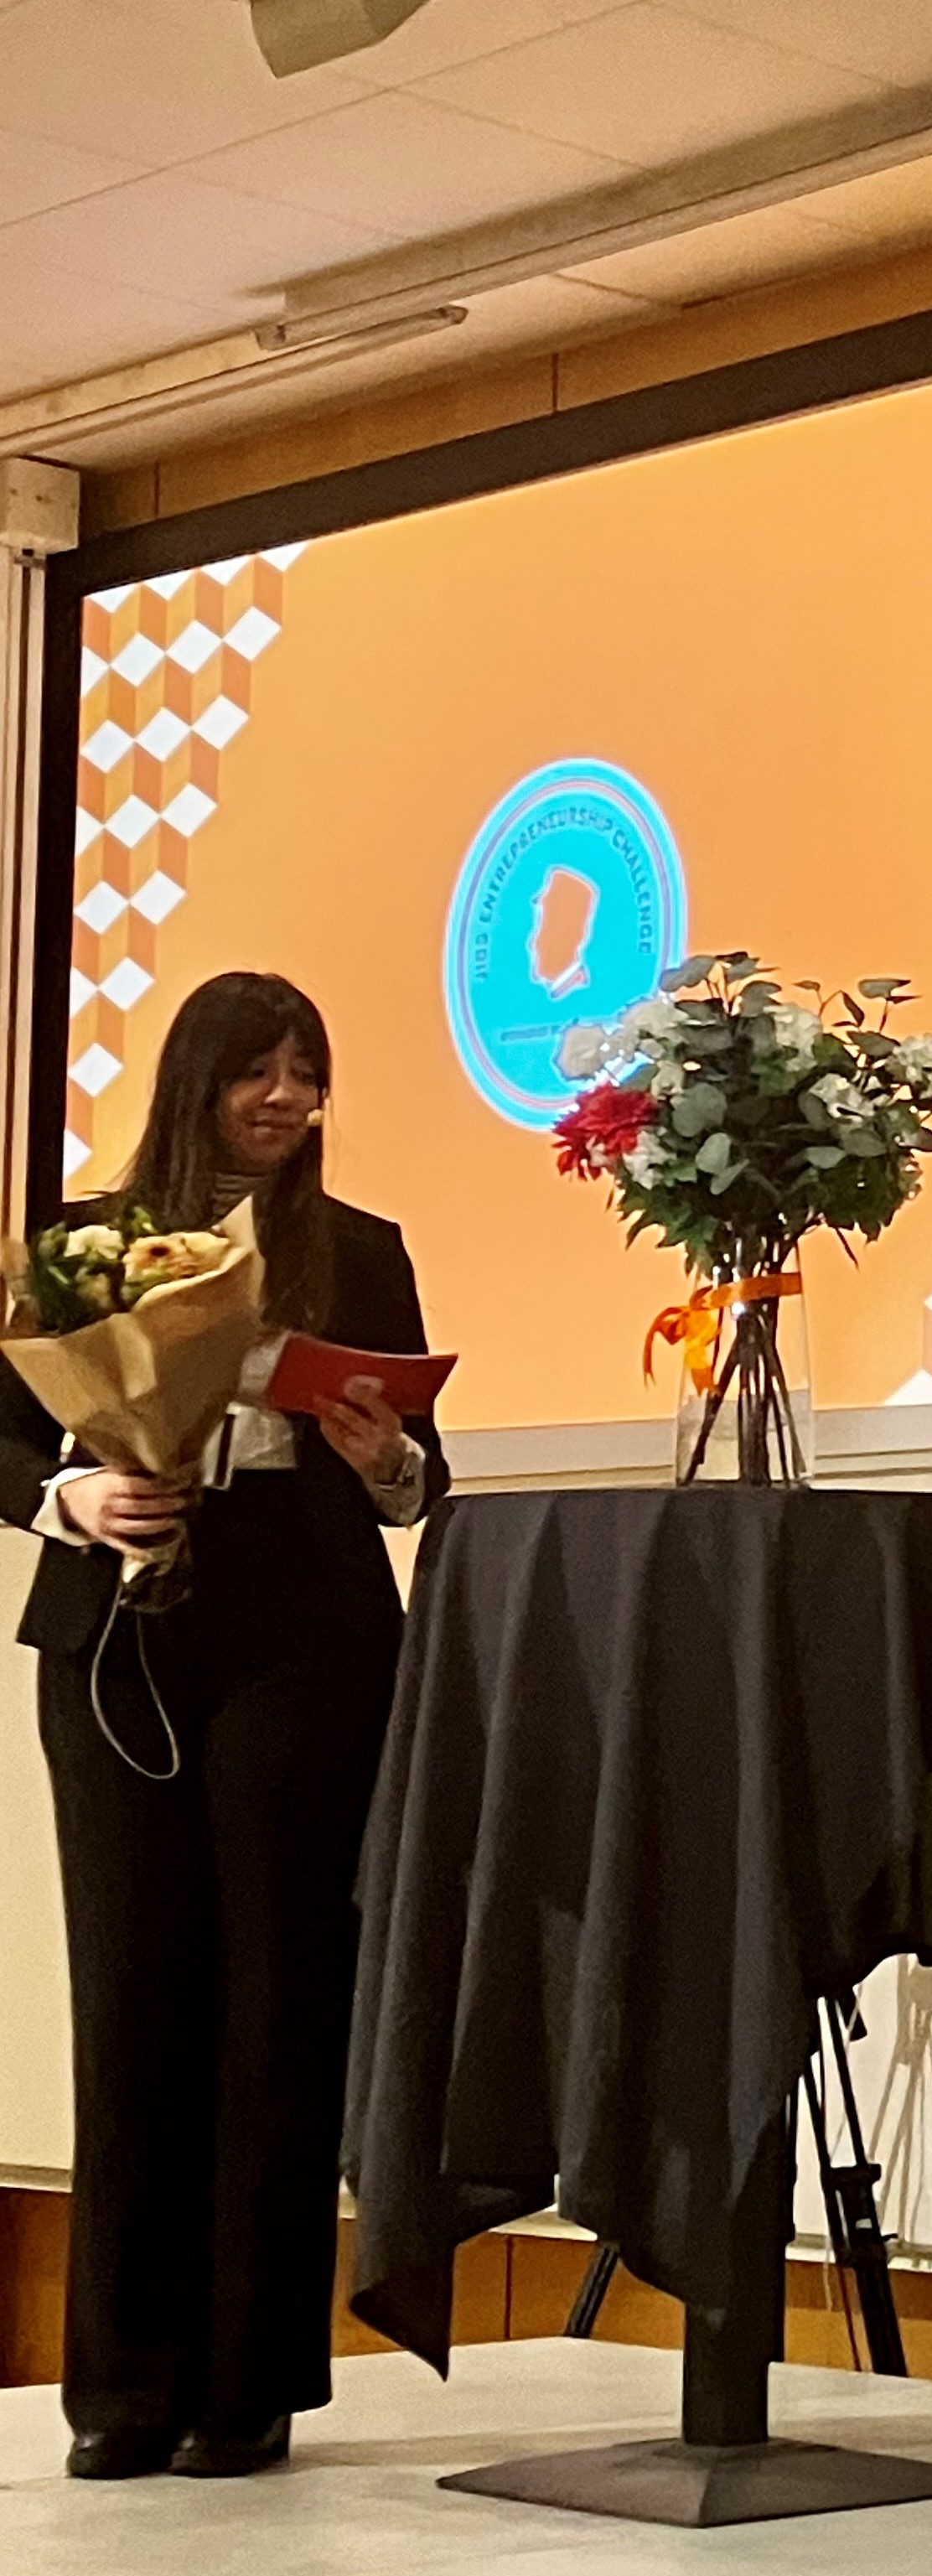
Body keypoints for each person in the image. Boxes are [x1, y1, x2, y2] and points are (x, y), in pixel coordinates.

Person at [0, 973, 448, 2481]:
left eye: (307, 1073)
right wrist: (74, 1494)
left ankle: (247, 2381)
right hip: (121, 1637)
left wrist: (385, 1457)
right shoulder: (85, 1240)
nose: (286, 1098)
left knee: (277, 2000)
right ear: (195, 1078)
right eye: (260, 1070)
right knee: (132, 1991)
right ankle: (123, 2385)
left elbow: (422, 1479)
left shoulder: (359, 1250)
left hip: (302, 1646)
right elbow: (8, 1435)